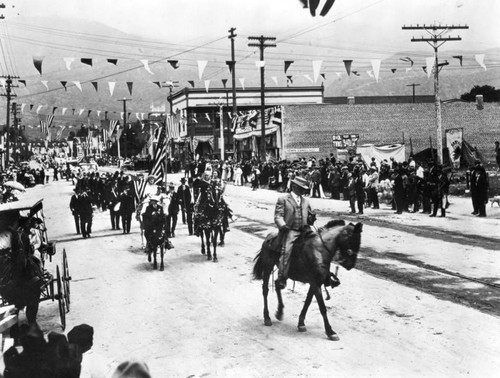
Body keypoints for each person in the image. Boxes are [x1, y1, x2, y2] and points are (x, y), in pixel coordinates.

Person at [274, 176, 314, 290]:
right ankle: (282, 277)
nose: (303, 190)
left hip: (305, 230)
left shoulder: (306, 201)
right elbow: (278, 216)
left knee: (319, 244)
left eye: (304, 188)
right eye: (301, 188)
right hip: (291, 230)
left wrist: (311, 219)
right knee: (286, 252)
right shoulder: (283, 198)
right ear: (294, 186)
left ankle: (323, 275)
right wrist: (283, 225)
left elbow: (309, 216)